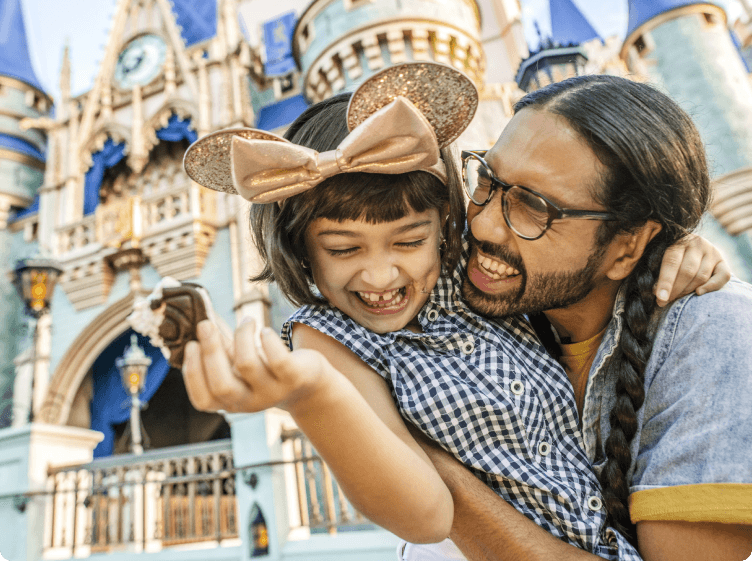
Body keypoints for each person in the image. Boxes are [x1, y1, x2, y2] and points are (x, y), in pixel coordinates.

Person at [181, 64, 731, 560]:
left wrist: (685, 248)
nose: (380, 276)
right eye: (344, 249)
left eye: (408, 240)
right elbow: (427, 516)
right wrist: (312, 393)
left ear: (442, 223)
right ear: (301, 251)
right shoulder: (331, 337)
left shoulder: (465, 275)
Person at [409, 74, 752, 561]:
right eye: (486, 179)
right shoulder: (487, 306)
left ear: (627, 245)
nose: (481, 222)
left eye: (533, 207)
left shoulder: (715, 333)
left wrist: (424, 464)